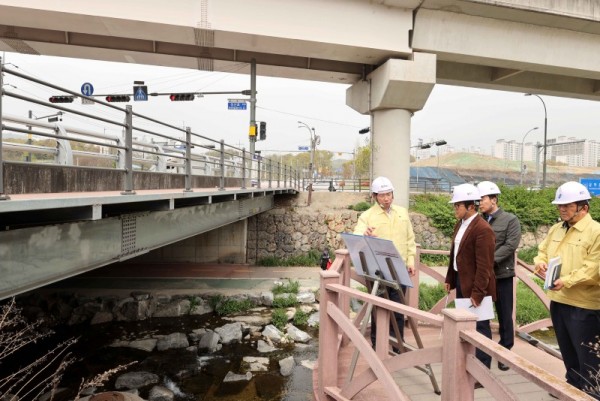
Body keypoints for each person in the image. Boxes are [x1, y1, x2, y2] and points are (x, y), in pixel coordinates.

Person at [534, 181, 600, 397]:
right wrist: (540, 262)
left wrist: (567, 281)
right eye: (560, 205)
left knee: (588, 355)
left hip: (585, 306)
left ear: (584, 207)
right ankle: (572, 388)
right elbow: (542, 251)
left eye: (567, 206)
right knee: (568, 352)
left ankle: (591, 393)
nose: (562, 209)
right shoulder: (556, 229)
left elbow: (593, 269)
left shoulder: (596, 232)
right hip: (559, 301)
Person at [353, 176, 416, 348]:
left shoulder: (402, 212)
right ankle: (377, 344)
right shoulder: (367, 216)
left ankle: (397, 345)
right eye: (382, 195)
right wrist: (364, 234)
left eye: (389, 194)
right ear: (374, 196)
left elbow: (410, 239)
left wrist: (411, 261)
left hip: (399, 268)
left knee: (399, 308)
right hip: (377, 270)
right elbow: (356, 235)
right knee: (378, 308)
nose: (386, 198)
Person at [444, 183, 496, 371]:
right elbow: (455, 254)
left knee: (481, 328)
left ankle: (483, 369)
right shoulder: (461, 225)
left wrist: (478, 293)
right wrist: (450, 277)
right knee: (464, 326)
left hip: (476, 286)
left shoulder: (483, 229)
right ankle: (467, 364)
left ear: (471, 207)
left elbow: (485, 266)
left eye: (457, 205)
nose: (455, 209)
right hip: (461, 281)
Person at [477, 181, 521, 371]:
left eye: (483, 199)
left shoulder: (510, 220)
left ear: (494, 199)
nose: (480, 202)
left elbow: (510, 245)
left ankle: (505, 352)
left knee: (504, 314)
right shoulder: (478, 220)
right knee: (482, 314)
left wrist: (488, 261)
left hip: (501, 275)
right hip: (483, 277)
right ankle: (483, 351)